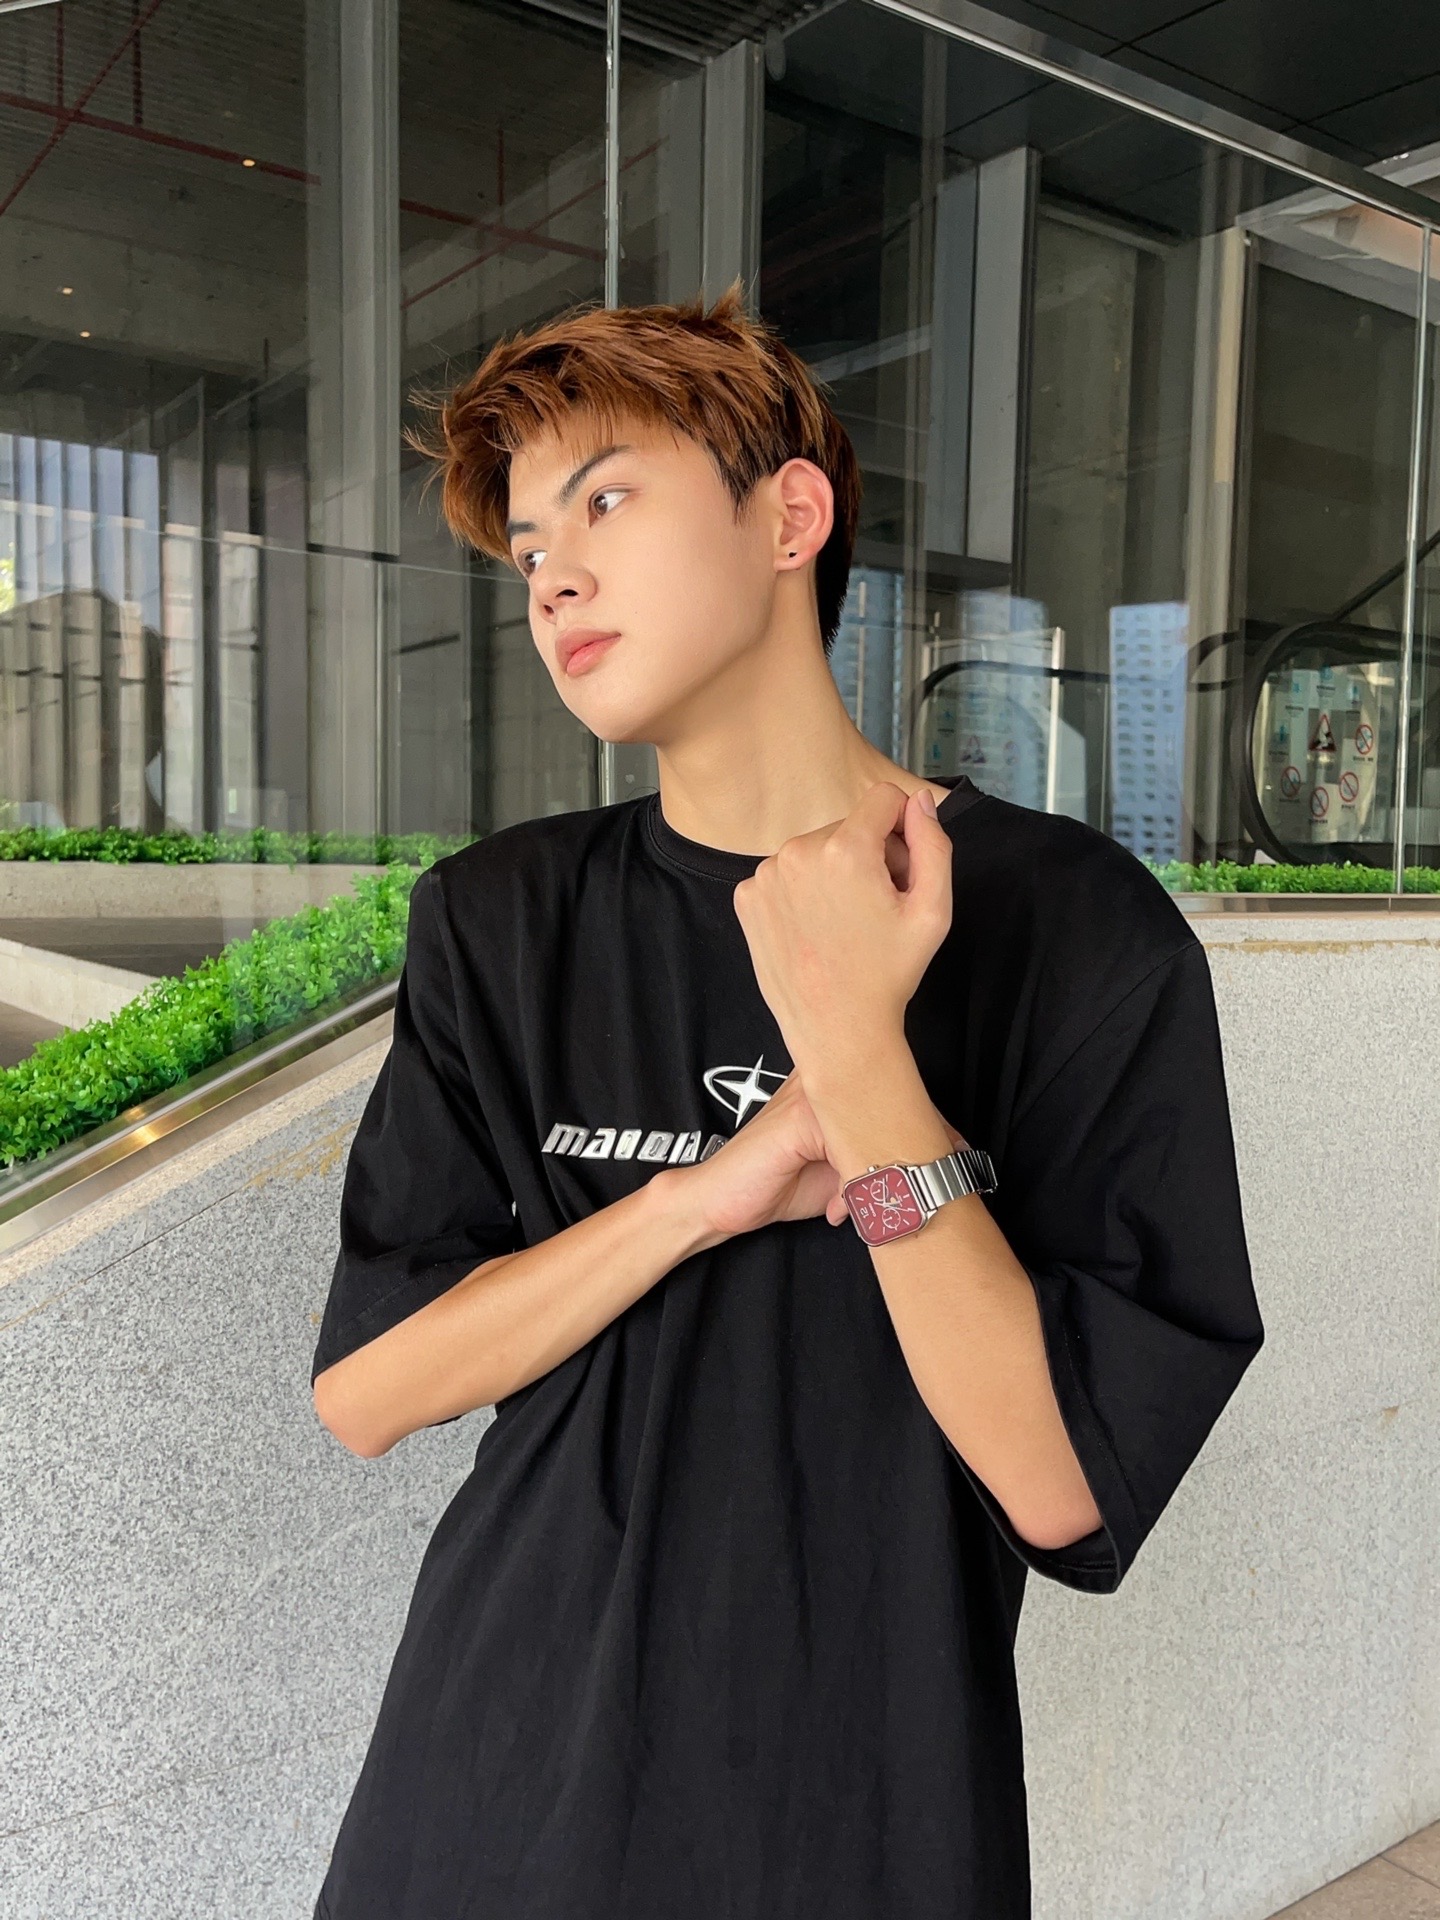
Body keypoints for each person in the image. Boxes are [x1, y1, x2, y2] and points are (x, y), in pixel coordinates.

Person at [308, 280, 1263, 1919]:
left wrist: (861, 1059)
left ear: (789, 517)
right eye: (528, 550)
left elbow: (1064, 1490)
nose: (554, 578)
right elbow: (370, 1389)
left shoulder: (1075, 927)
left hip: (859, 1804)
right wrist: (701, 1198)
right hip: (489, 1781)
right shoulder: (502, 917)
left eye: (606, 500)